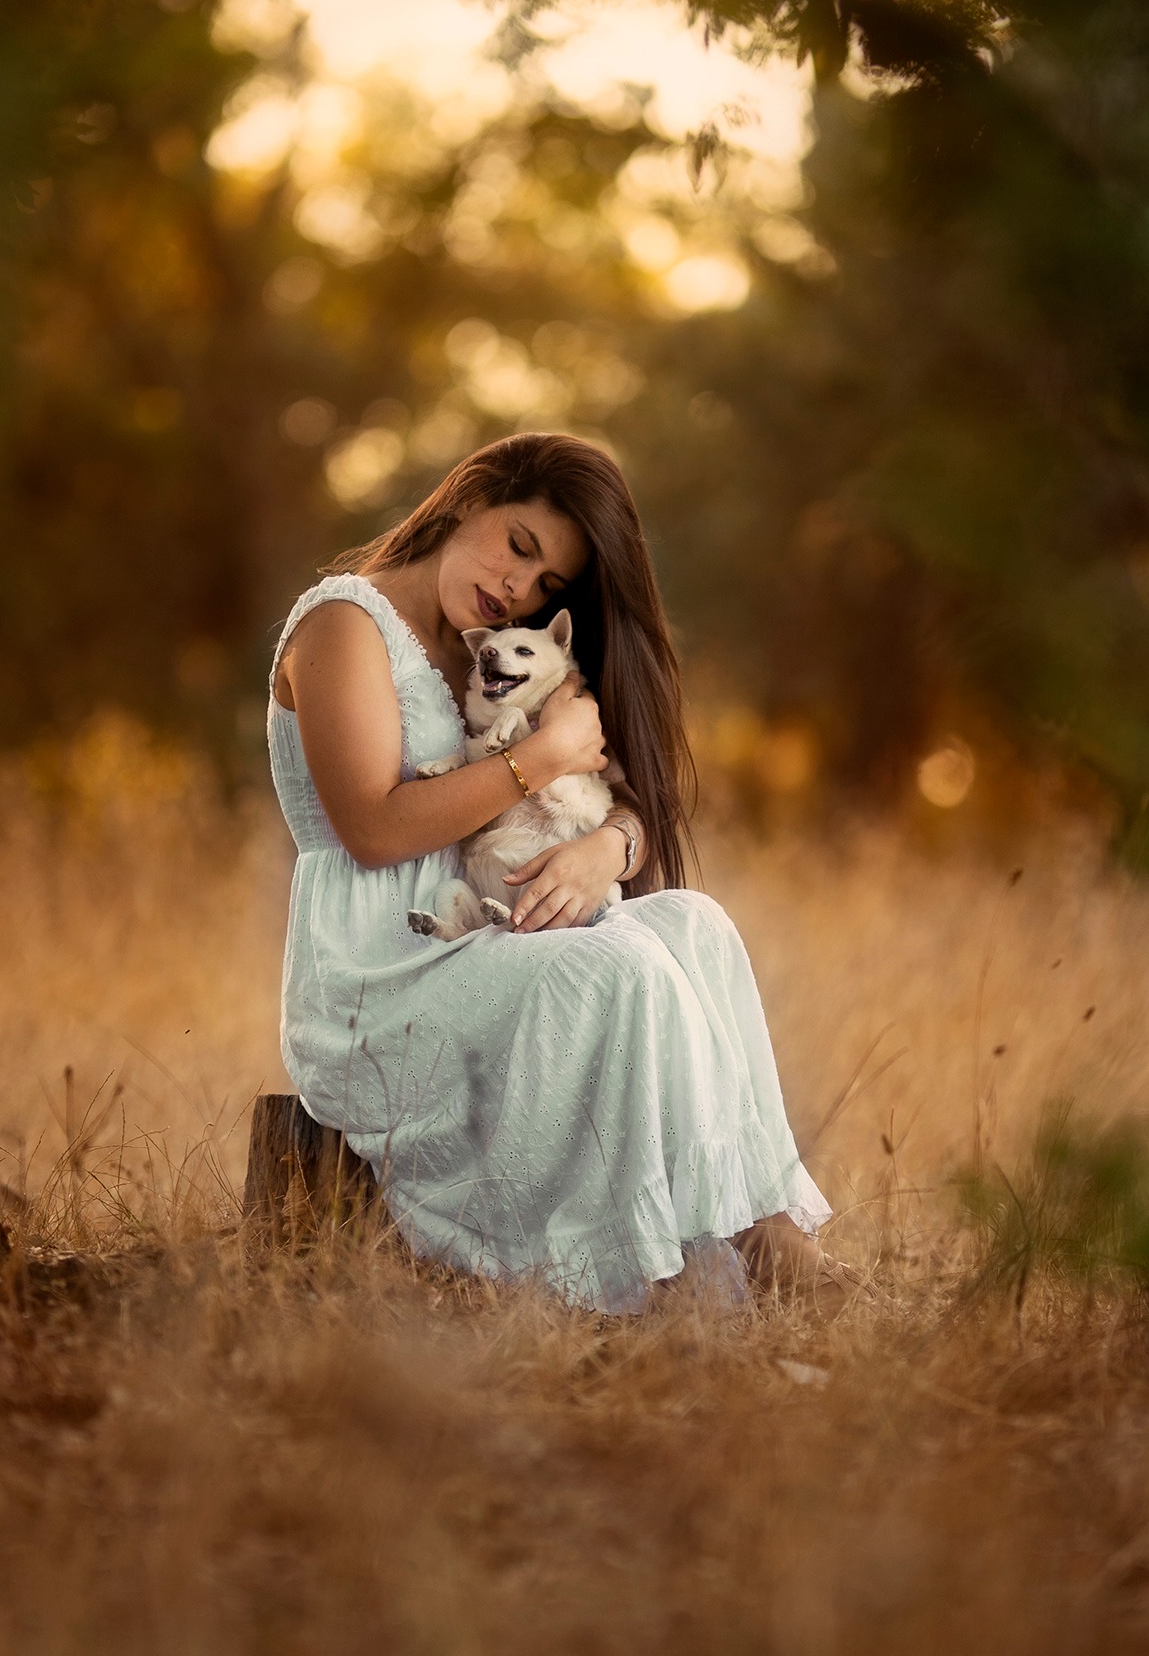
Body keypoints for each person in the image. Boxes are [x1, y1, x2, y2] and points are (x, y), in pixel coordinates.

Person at [267, 432, 836, 1308]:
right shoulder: (344, 625)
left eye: (545, 587)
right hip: (381, 970)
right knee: (618, 968)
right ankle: (658, 1268)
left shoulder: (497, 647)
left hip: (491, 927)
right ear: (467, 500)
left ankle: (758, 1229)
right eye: (518, 547)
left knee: (694, 926)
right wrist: (539, 756)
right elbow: (375, 828)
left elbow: (618, 789)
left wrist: (608, 846)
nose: (516, 590)